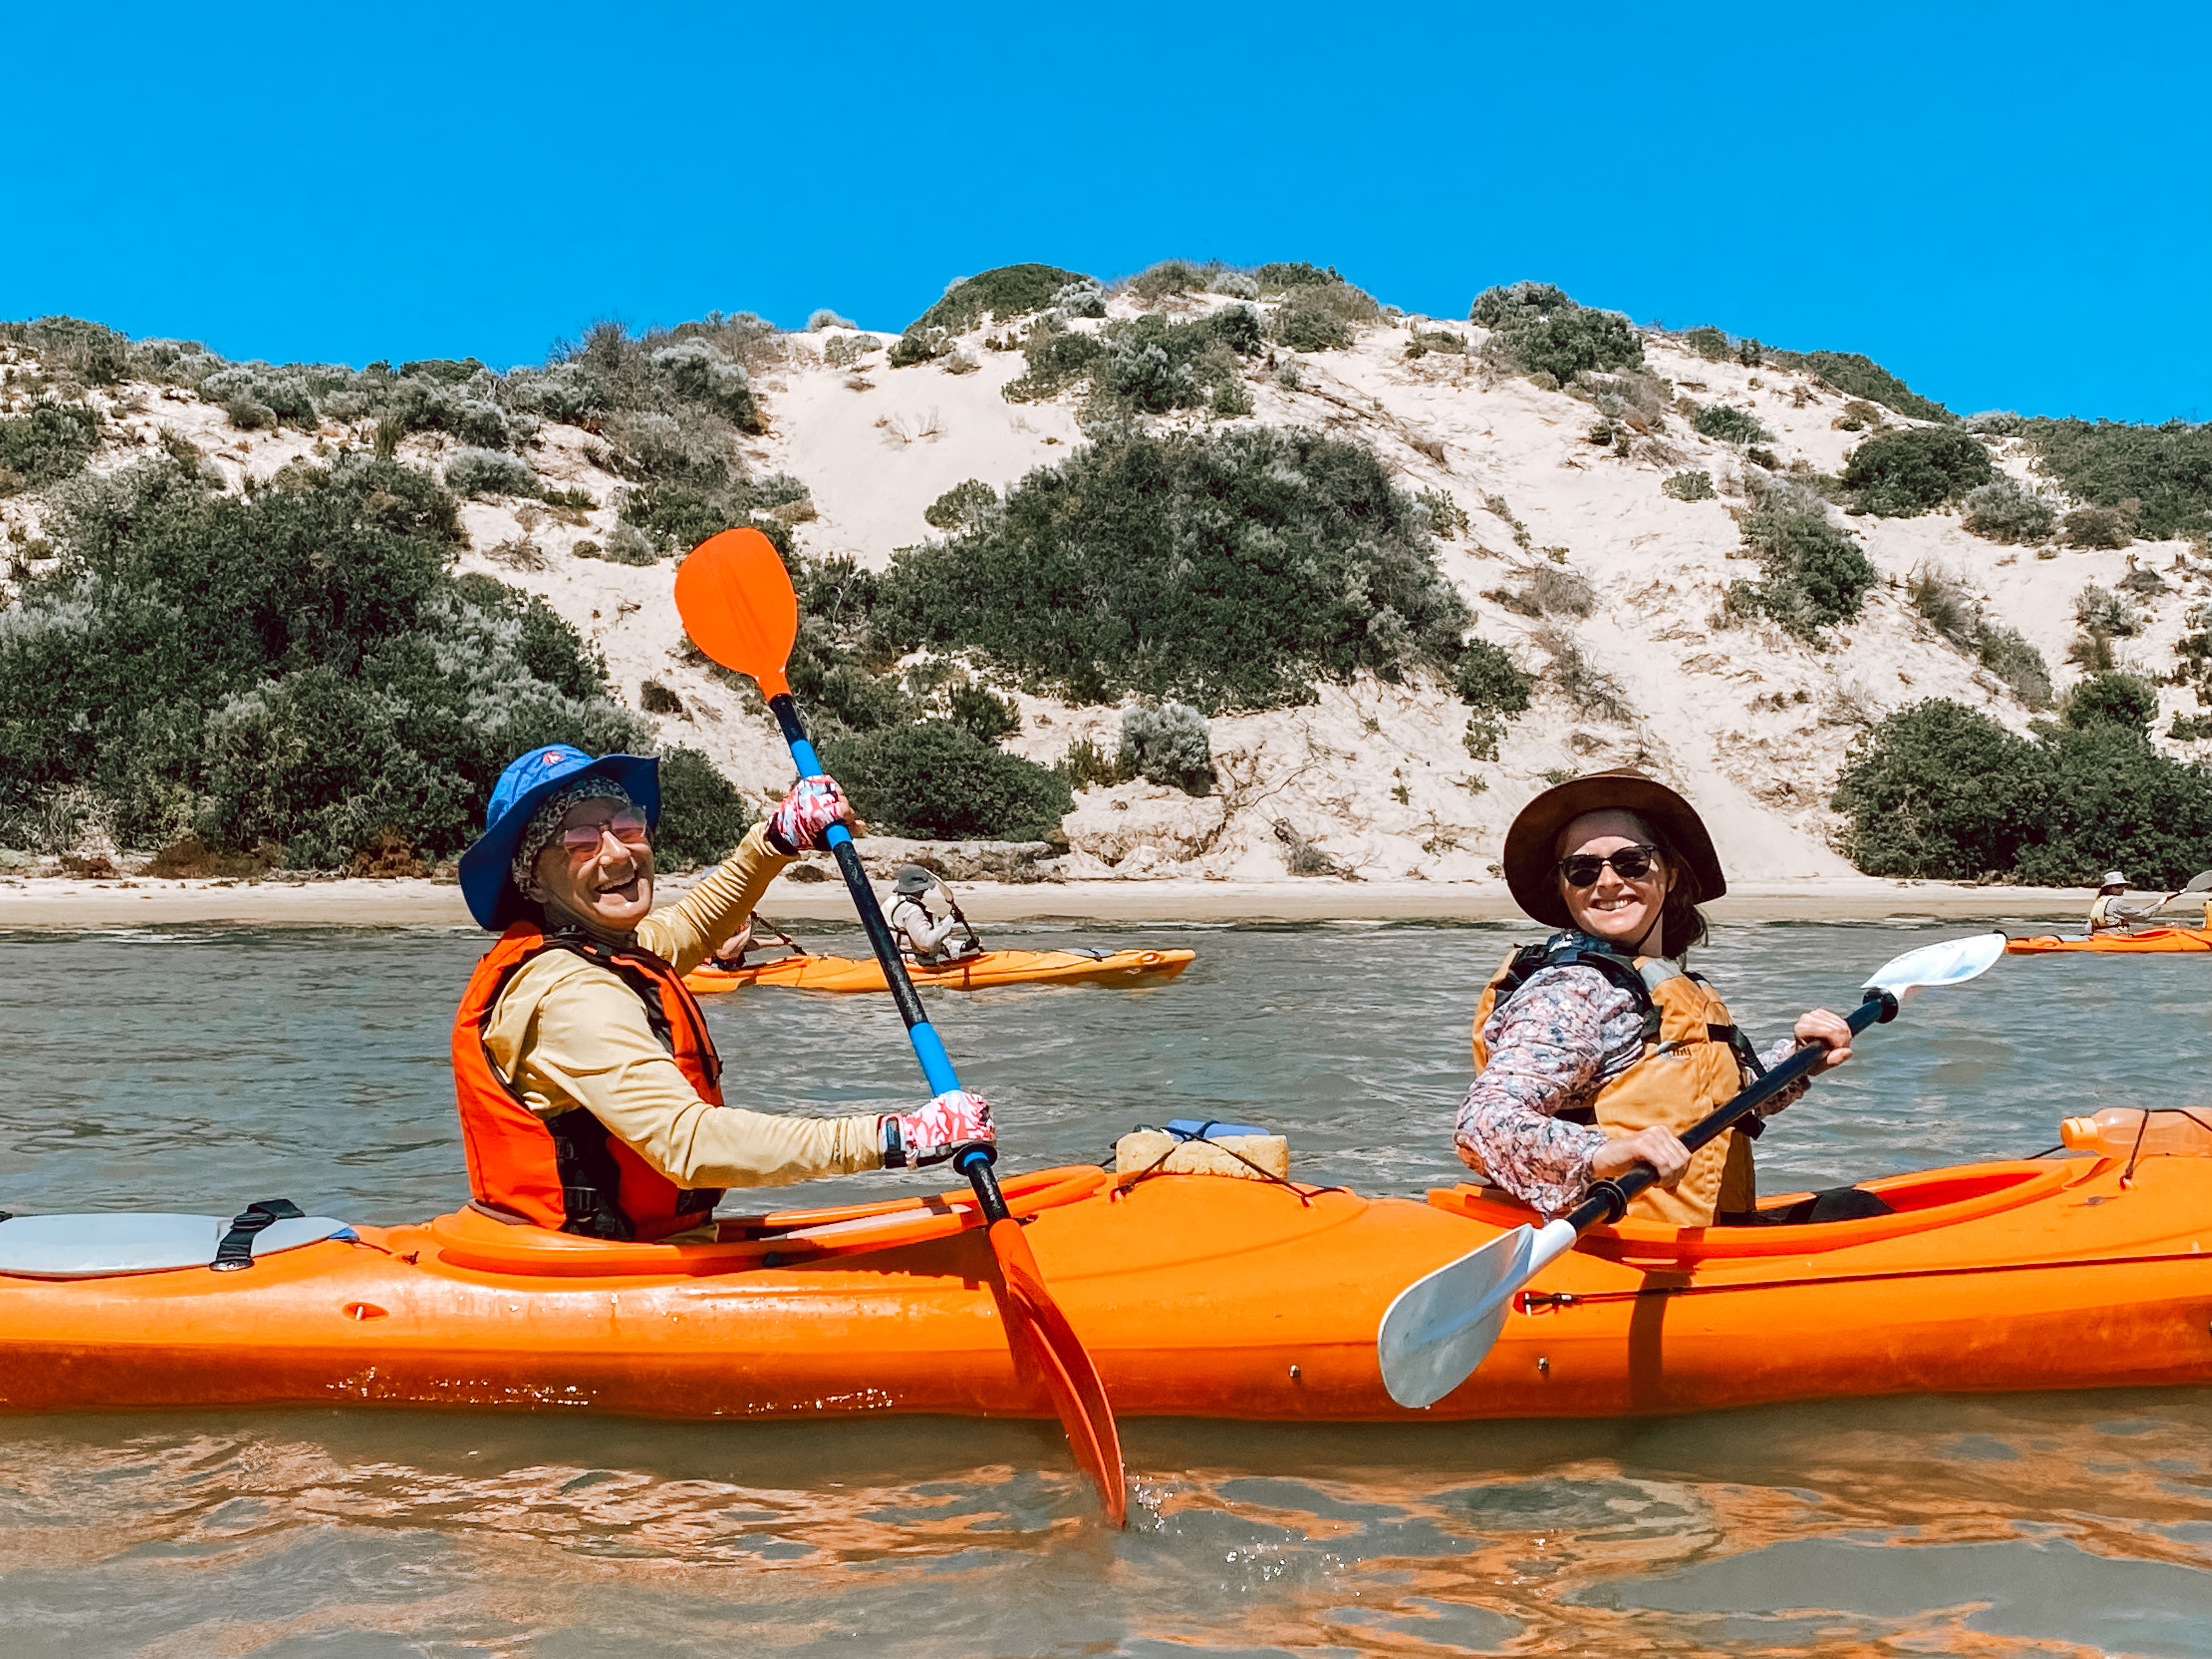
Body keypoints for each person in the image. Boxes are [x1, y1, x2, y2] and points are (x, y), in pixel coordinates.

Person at [452, 745, 992, 1242]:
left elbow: (691, 925)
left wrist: (778, 838)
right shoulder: (571, 994)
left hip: (632, 1248)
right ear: (534, 880)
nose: (617, 854)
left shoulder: (599, 946)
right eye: (580, 841)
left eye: (626, 826)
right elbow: (689, 1144)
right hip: (581, 1270)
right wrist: (896, 1139)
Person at [1453, 768, 1868, 1228]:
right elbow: (1484, 1122)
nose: (1608, 882)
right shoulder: (1571, 991)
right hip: (1618, 1246)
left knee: (1858, 1210)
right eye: (1583, 869)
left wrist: (1798, 1057)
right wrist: (1609, 1154)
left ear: (1669, 874)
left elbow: (1717, 1105)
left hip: (1702, 1237)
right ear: (1564, 886)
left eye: (1631, 862)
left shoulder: (1666, 984)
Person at [888, 866, 980, 966]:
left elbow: (923, 941)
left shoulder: (891, 903)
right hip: (912, 967)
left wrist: (963, 946)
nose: (923, 894)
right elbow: (928, 944)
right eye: (924, 890)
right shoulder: (912, 911)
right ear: (918, 890)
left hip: (893, 962)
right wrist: (951, 918)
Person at [2088, 873, 2154, 935]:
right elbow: (2144, 916)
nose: (2123, 889)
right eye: (2119, 886)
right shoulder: (2117, 902)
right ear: (2112, 888)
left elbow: (2088, 927)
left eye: (2124, 886)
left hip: (2098, 935)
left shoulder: (2100, 900)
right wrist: (2160, 904)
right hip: (2115, 937)